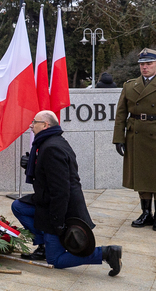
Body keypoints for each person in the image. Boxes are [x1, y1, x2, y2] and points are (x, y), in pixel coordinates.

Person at [12, 110, 122, 276]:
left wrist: (57, 223)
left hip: (60, 209)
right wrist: (30, 166)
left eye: (34, 122)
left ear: (45, 125)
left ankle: (106, 253)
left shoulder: (51, 148)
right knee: (19, 206)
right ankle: (42, 245)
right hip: (46, 202)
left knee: (55, 260)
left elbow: (61, 191)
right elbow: (49, 175)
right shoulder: (49, 141)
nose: (31, 125)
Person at [112, 48, 156, 232]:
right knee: (141, 174)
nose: (144, 68)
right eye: (142, 64)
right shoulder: (129, 85)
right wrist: (118, 138)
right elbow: (121, 114)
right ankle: (146, 213)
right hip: (136, 135)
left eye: (149, 64)